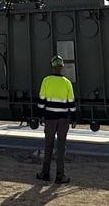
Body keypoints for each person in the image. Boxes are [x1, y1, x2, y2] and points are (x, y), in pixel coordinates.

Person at [36, 55, 75, 184]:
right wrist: (73, 118)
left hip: (50, 119)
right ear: (62, 67)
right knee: (61, 147)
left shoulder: (46, 80)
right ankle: (60, 176)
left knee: (48, 146)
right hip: (63, 119)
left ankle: (45, 173)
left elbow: (41, 100)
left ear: (52, 67)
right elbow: (71, 103)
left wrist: (41, 115)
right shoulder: (67, 82)